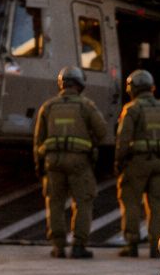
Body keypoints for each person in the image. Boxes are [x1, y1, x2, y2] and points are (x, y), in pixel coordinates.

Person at [33, 66, 108, 259]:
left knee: (55, 203)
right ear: (80, 84)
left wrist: (38, 166)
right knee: (83, 202)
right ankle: (78, 246)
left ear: (61, 84)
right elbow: (102, 132)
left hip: (53, 162)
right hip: (79, 162)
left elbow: (38, 140)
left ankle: (58, 247)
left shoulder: (48, 107)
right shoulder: (86, 106)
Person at [113, 69, 160, 258]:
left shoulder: (132, 109)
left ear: (131, 89)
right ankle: (156, 247)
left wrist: (119, 162)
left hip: (137, 163)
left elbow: (123, 139)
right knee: (158, 205)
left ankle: (132, 244)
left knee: (131, 202)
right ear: (152, 87)